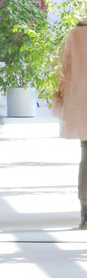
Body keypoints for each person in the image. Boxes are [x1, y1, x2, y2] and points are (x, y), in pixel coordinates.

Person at [54, 18, 87, 227]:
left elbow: (65, 69)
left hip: (81, 104)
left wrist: (59, 95)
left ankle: (85, 209)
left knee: (86, 154)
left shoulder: (75, 34)